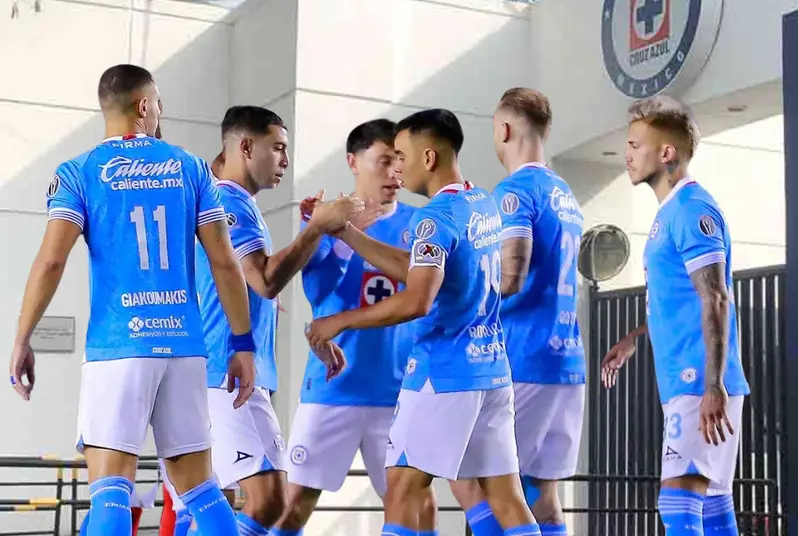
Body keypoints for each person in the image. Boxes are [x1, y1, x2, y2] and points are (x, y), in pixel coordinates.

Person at [8, 63, 254, 536]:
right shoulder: (192, 167)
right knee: (201, 489)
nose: (161, 111)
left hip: (118, 347)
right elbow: (226, 263)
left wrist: (22, 337)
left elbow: (51, 261)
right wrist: (242, 343)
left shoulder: (78, 172)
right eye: (158, 102)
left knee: (111, 490)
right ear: (143, 106)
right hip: (184, 348)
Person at [306, 109, 542, 536]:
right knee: (507, 498)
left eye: (401, 155)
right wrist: (350, 235)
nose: (398, 167)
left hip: (443, 374)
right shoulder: (481, 202)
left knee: (401, 489)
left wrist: (341, 320)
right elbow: (419, 268)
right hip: (490, 371)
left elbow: (417, 299)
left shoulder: (432, 217)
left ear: (428, 158)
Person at [163, 105, 358, 536]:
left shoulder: (217, 198)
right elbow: (266, 279)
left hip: (201, 371)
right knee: (269, 500)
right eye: (279, 148)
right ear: (246, 146)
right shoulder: (229, 201)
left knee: (204, 505)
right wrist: (319, 228)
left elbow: (247, 283)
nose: (285, 161)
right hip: (224, 374)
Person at [273, 119, 436, 535]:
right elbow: (319, 294)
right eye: (383, 161)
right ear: (353, 161)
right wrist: (340, 233)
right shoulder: (323, 223)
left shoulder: (423, 224)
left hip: (399, 394)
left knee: (422, 510)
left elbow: (424, 293)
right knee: (292, 509)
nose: (395, 172)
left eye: (399, 161)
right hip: (333, 390)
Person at [600, 95, 751, 536]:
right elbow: (682, 298)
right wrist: (635, 337)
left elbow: (716, 298)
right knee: (714, 508)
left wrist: (712, 384)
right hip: (692, 380)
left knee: (678, 504)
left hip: (697, 381)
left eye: (634, 144)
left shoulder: (691, 210)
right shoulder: (671, 213)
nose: (626, 154)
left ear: (666, 153)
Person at [450, 88, 585, 536]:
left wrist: (459, 306)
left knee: (480, 482)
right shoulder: (566, 195)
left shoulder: (513, 192)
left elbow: (511, 276)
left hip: (522, 357)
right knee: (541, 497)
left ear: (504, 129)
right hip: (566, 360)